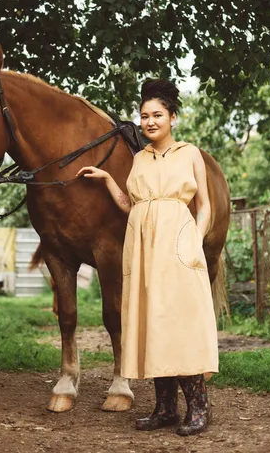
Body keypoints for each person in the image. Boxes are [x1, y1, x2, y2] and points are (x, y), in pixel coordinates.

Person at [76, 79, 218, 437]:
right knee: (151, 322)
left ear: (173, 117)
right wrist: (108, 179)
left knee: (178, 322)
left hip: (178, 246)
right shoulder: (139, 158)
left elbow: (204, 207)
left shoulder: (190, 153)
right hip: (143, 251)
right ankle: (165, 408)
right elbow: (131, 205)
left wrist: (194, 242)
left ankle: (199, 406)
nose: (150, 121)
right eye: (144, 116)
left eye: (158, 115)